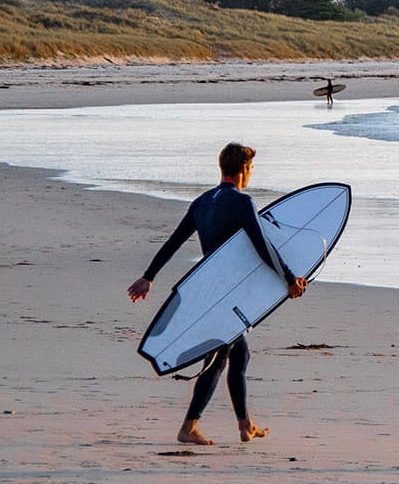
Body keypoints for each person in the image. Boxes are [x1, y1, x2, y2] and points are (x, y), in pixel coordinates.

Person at [126, 143, 306, 446]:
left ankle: (244, 424)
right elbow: (262, 246)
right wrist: (289, 279)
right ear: (244, 170)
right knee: (220, 357)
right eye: (250, 169)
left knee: (238, 354)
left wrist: (149, 276)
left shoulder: (202, 202)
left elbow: (174, 242)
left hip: (209, 290)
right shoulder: (241, 202)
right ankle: (189, 427)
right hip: (227, 295)